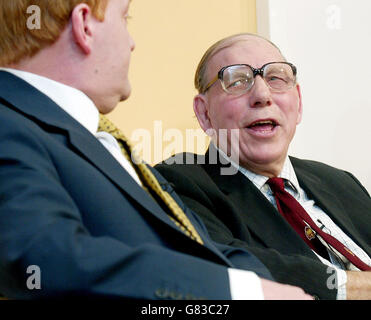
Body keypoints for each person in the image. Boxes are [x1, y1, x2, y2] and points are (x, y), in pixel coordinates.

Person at [0, 1, 313, 300]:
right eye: (125, 18)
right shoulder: (9, 123)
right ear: (84, 26)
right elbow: (42, 259)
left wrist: (267, 288)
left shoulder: (100, 141)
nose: (132, 42)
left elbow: (203, 247)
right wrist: (243, 293)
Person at [156, 33, 371, 300]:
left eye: (276, 78)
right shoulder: (180, 183)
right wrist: (358, 287)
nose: (262, 94)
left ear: (299, 102)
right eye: (236, 81)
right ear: (204, 113)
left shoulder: (339, 182)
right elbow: (231, 268)